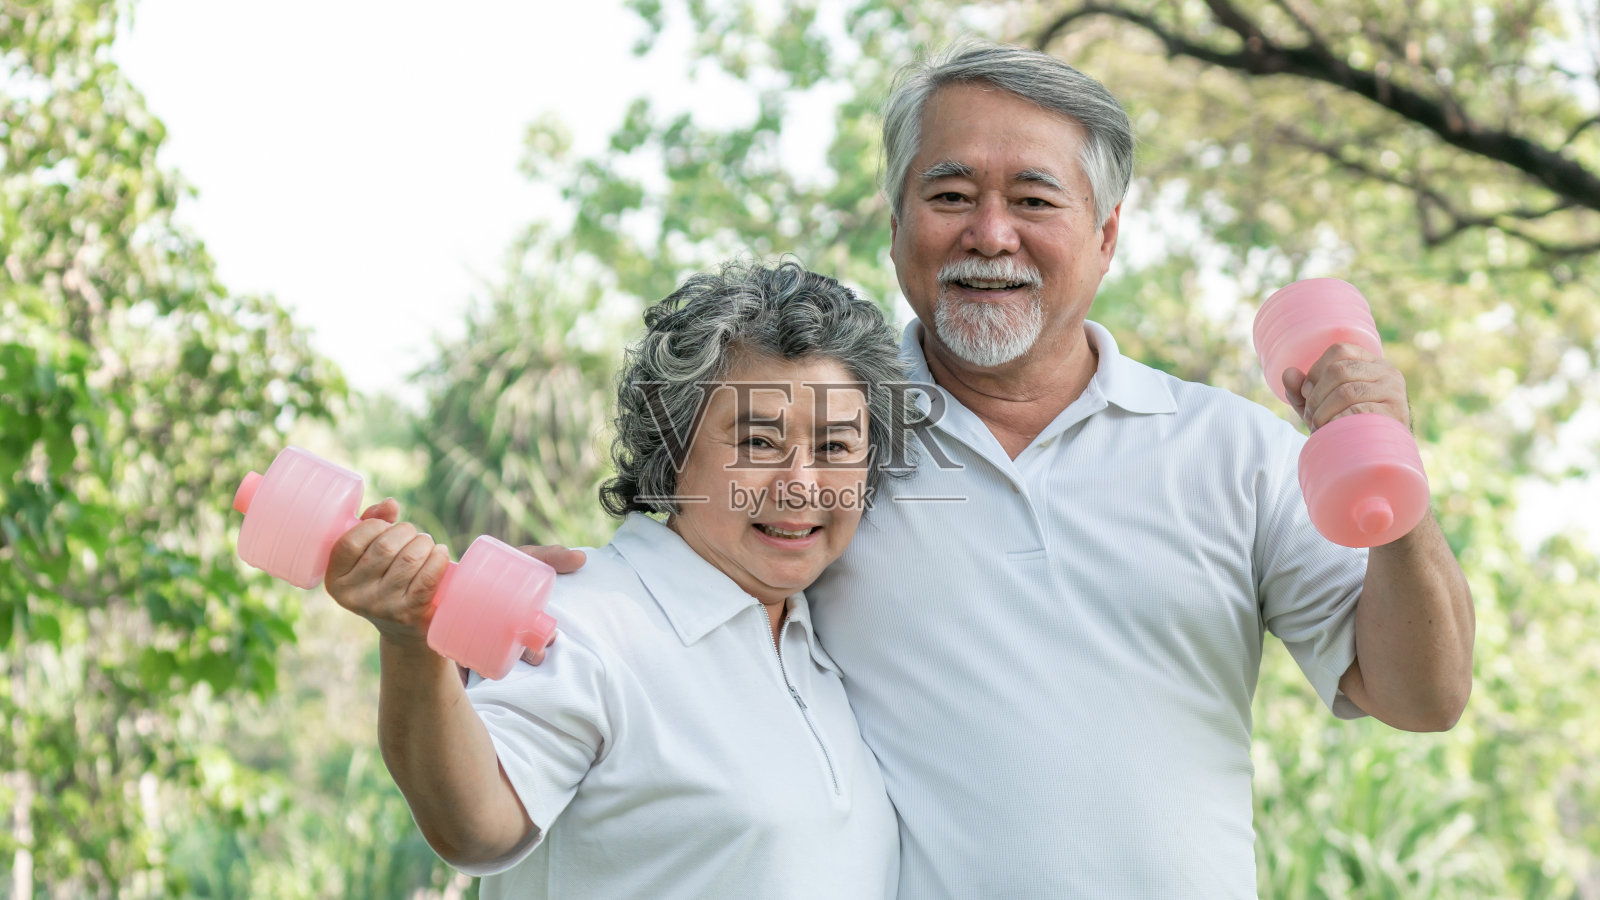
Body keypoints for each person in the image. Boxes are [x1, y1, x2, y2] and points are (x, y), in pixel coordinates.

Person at [524, 42, 1476, 899]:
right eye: (949, 196)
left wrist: (1382, 464)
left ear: (1106, 235)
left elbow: (1421, 696)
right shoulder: (831, 443)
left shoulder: (1233, 450)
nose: (989, 233)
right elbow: (665, 586)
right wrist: (544, 591)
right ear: (896, 227)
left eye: (1033, 198)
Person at [324, 260, 910, 899]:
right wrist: (411, 644)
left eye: (834, 448)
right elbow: (475, 827)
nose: (800, 484)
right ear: (673, 448)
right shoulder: (581, 617)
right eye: (758, 443)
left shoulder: (825, 640)